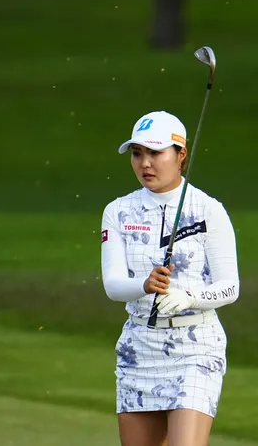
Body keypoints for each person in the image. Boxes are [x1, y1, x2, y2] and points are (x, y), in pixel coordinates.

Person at [100, 110, 240, 446]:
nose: (145, 164)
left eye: (155, 152)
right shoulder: (118, 211)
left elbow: (230, 286)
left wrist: (190, 297)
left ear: (181, 155)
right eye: (137, 153)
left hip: (195, 350)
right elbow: (113, 285)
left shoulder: (208, 209)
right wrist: (143, 285)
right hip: (139, 348)